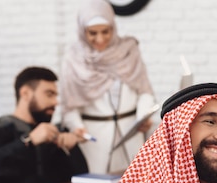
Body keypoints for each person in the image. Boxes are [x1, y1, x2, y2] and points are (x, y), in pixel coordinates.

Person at [60, 0, 156, 174]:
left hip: (131, 135)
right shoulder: (74, 58)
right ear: (83, 31)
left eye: (106, 31)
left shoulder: (128, 50)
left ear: (113, 27)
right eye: (92, 33)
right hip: (95, 141)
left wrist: (142, 117)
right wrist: (77, 127)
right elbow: (69, 106)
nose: (100, 39)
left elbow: (144, 91)